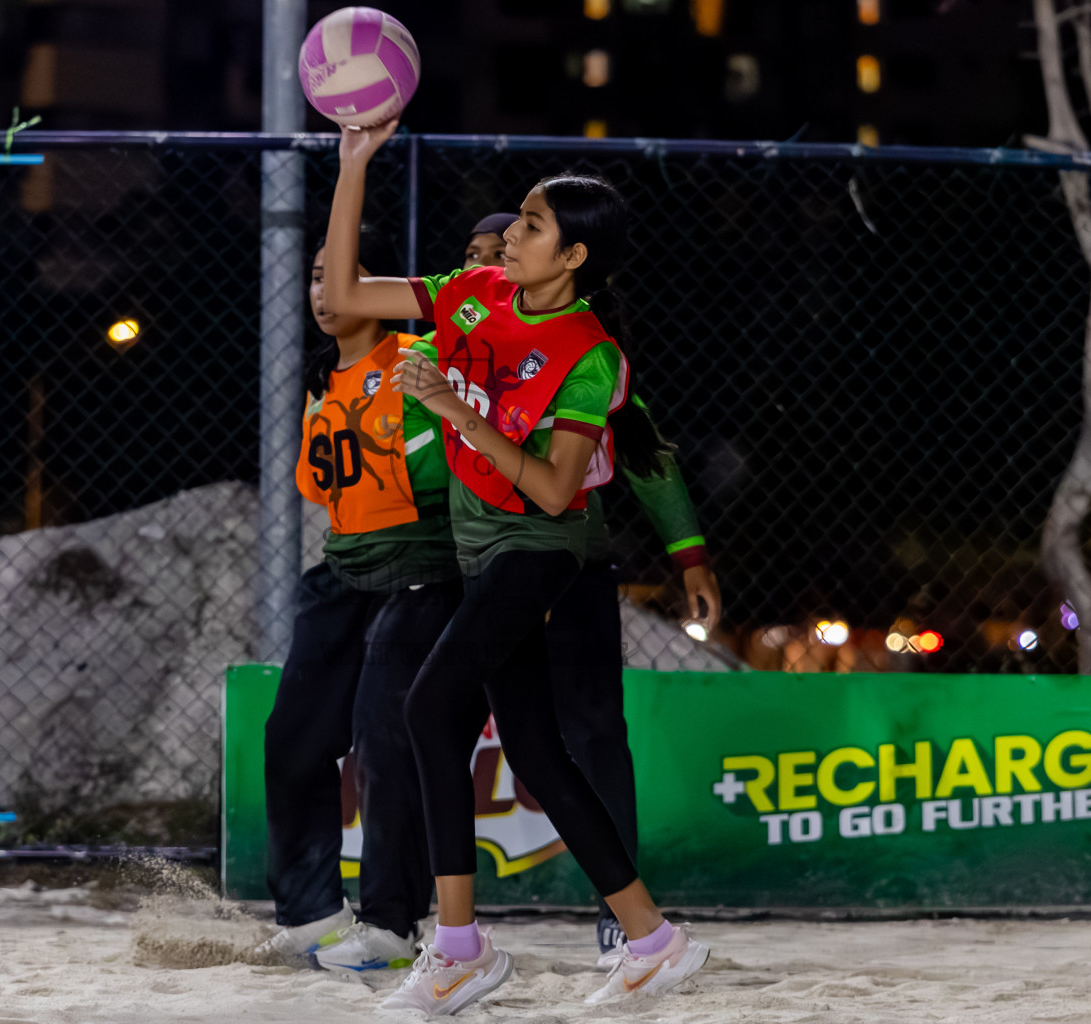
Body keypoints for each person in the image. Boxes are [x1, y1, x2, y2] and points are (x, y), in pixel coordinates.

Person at [322, 119, 709, 1015]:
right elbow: (345, 291)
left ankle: (458, 948)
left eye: (531, 225)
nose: (510, 236)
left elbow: (550, 491)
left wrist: (455, 410)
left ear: (571, 255)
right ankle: (652, 939)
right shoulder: (475, 291)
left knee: (429, 706)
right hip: (480, 544)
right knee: (534, 746)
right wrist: (352, 164)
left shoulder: (591, 356)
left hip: (542, 547)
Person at [454, 213, 722, 956]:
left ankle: (621, 913)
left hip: (569, 555)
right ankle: (421, 916)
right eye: (473, 259)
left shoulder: (584, 358)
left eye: (501, 250)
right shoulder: (455, 342)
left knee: (594, 727)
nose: (488, 266)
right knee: (434, 719)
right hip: (475, 556)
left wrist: (690, 555)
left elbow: (646, 455)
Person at [258, 225, 463, 974]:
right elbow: (317, 488)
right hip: (344, 570)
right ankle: (312, 914)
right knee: (293, 739)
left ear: (374, 289)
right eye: (313, 276)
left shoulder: (416, 363)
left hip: (419, 568)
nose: (321, 290)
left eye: (337, 274)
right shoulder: (323, 386)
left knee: (385, 741)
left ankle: (391, 923)